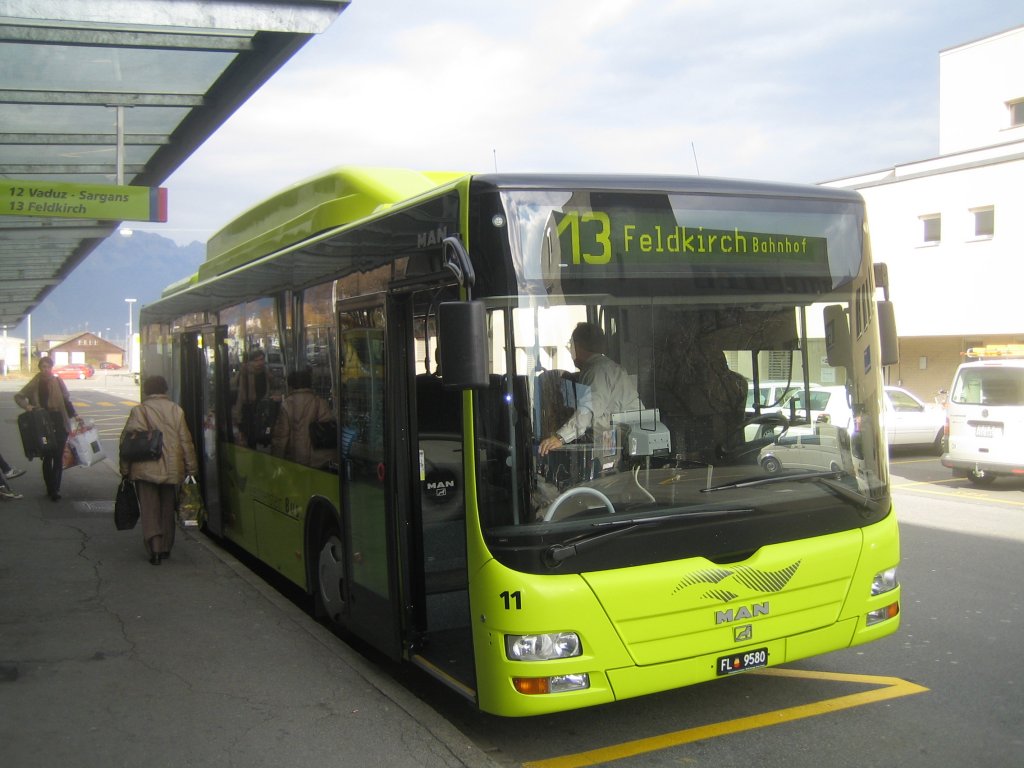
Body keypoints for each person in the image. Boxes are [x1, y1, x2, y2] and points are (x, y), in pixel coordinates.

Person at [119, 375, 198, 565]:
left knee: (149, 510)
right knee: (167, 509)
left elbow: (128, 443)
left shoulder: (140, 411)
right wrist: (191, 468)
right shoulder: (176, 410)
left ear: (146, 390)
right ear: (165, 390)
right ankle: (165, 548)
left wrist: (124, 470)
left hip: (144, 470)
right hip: (172, 469)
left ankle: (154, 549)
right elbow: (185, 441)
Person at [538, 323, 642, 458]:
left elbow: (587, 412)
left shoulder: (596, 371)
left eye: (571, 345)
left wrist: (560, 438)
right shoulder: (609, 367)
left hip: (624, 440)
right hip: (623, 436)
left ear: (577, 346)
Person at [14, 356, 76, 501]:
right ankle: (50, 487)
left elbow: (66, 400)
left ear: (51, 367)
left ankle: (56, 489)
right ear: (40, 368)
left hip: (59, 421)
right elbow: (19, 396)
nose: (45, 369)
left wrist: (75, 415)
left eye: (47, 367)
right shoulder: (35, 383)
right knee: (47, 455)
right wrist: (27, 406)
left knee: (58, 455)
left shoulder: (58, 381)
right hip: (42, 424)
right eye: (42, 367)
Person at [271, 368, 334, 466]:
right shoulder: (319, 402)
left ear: (291, 386)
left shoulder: (287, 404)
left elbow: (281, 436)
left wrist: (276, 459)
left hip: (296, 456)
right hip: (319, 458)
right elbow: (329, 429)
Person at [232, 349, 278, 448]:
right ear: (251, 361)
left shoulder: (266, 372)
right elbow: (240, 395)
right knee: (251, 437)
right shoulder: (245, 373)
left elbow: (273, 388)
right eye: (256, 360)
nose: (260, 363)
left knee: (265, 433)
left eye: (262, 359)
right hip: (249, 409)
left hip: (263, 408)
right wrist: (237, 415)